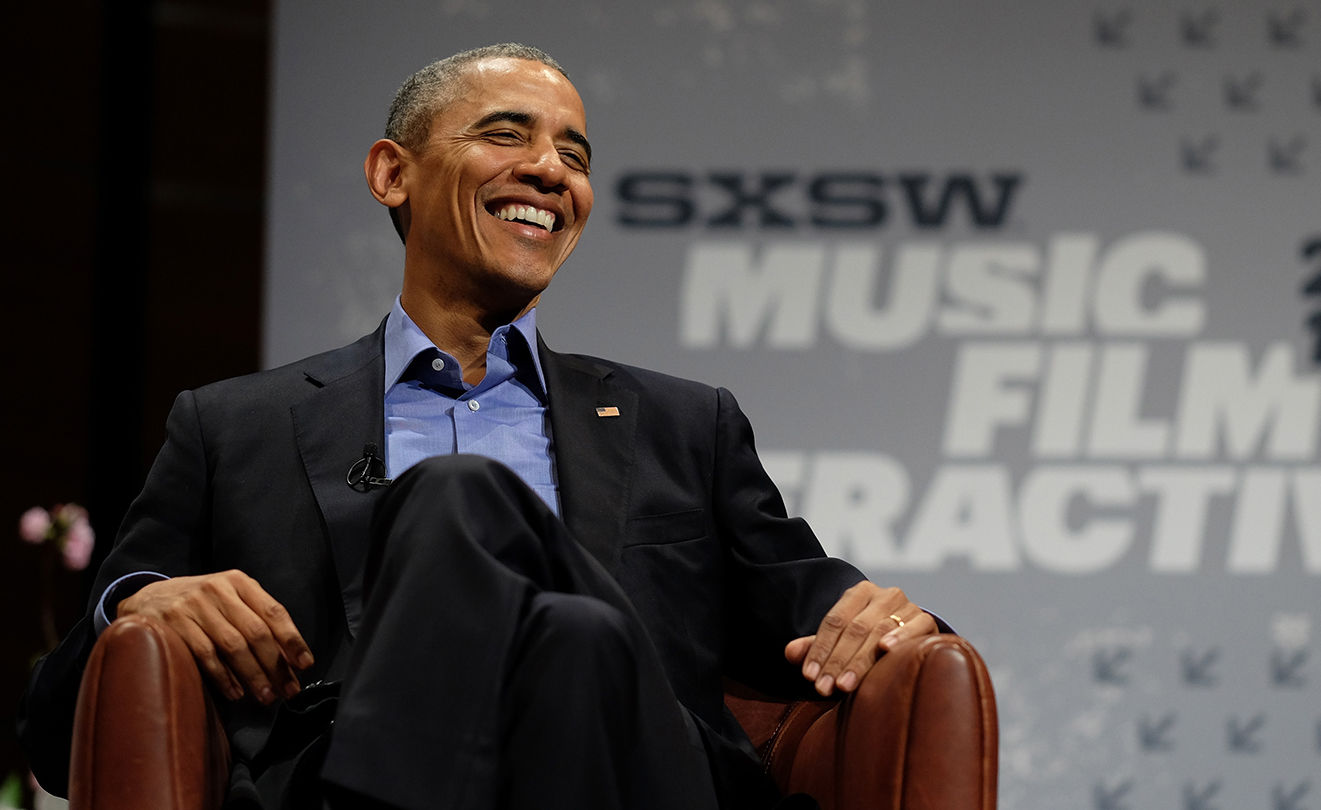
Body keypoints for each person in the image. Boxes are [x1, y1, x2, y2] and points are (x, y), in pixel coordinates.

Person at [19, 43, 941, 810]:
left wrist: (900, 620)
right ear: (393, 174)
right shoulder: (234, 427)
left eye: (575, 156)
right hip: (329, 776)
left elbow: (823, 602)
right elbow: (58, 736)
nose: (551, 169)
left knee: (470, 511)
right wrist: (131, 601)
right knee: (569, 634)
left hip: (633, 774)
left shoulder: (683, 424)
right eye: (508, 135)